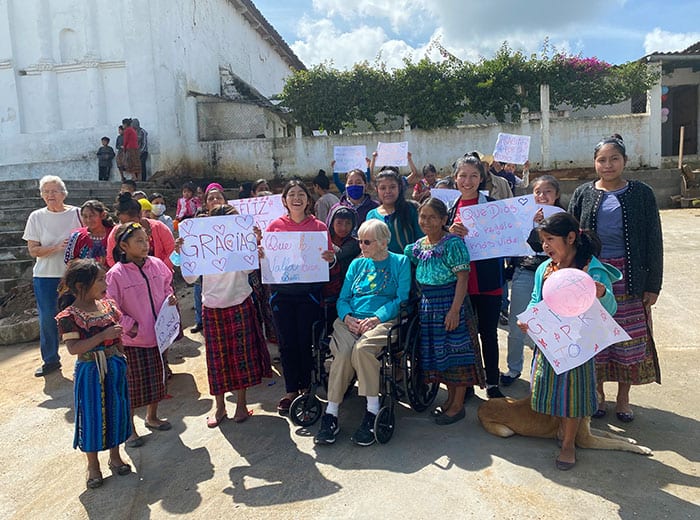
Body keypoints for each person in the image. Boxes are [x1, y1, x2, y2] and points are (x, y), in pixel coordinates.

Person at [569, 135, 663, 423]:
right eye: (602, 160)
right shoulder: (583, 193)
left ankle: (623, 398)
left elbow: (653, 239)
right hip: (593, 278)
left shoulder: (641, 193)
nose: (607, 165)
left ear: (625, 161)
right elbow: (571, 237)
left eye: (614, 159)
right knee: (595, 338)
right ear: (594, 163)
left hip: (630, 279)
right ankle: (597, 394)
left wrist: (653, 285)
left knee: (627, 341)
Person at [517, 212, 621, 470]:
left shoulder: (591, 269)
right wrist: (528, 319)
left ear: (571, 238)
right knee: (551, 391)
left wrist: (602, 292)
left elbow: (611, 308)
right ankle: (559, 430)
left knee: (573, 395)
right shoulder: (544, 269)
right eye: (543, 241)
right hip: (550, 343)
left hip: (579, 346)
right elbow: (535, 299)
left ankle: (568, 444)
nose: (545, 246)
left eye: (550, 239)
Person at [314, 220, 411, 446]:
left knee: (362, 349)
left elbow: (402, 298)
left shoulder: (400, 262)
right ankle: (332, 412)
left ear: (383, 242)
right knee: (345, 351)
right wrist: (347, 317)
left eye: (367, 242)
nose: (361, 246)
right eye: (360, 241)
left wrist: (377, 317)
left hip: (383, 319)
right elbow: (343, 298)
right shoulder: (357, 265)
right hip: (350, 319)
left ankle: (372, 410)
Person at [180, 205, 272, 426]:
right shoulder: (201, 246)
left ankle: (241, 405)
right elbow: (191, 279)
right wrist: (185, 251)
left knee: (242, 357)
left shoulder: (241, 244)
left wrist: (255, 249)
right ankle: (220, 407)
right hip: (212, 307)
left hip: (240, 303)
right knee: (216, 360)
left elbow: (249, 271)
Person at [405, 198, 484, 425]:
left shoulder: (453, 244)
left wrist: (454, 311)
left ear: (443, 220)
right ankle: (449, 400)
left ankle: (457, 405)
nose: (426, 221)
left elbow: (462, 278)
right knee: (441, 357)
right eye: (423, 217)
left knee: (456, 356)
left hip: (450, 302)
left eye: (432, 217)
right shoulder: (418, 246)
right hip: (429, 306)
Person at [55, 259, 131, 489]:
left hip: (114, 365)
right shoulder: (70, 316)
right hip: (90, 370)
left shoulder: (107, 306)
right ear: (80, 286)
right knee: (92, 415)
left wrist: (119, 352)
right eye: (100, 279)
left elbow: (117, 336)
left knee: (117, 408)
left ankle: (115, 456)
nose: (105, 283)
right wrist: (102, 336)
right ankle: (93, 465)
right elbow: (74, 349)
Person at [263, 180, 335, 415]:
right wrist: (262, 253)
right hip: (281, 295)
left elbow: (330, 259)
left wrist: (329, 257)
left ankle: (306, 388)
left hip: (309, 295)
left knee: (306, 343)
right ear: (284, 201)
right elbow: (266, 260)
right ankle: (290, 390)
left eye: (301, 194)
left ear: (307, 199)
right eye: (291, 194)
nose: (296, 198)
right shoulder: (274, 227)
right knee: (286, 344)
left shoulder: (319, 227)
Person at [106, 222, 176, 447]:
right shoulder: (115, 274)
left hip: (159, 336)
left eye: (146, 240)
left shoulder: (156, 264)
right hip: (133, 340)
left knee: (157, 380)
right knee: (133, 386)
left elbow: (167, 285)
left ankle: (152, 417)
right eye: (139, 241)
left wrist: (170, 298)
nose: (145, 244)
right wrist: (129, 325)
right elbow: (110, 306)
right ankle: (130, 429)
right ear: (124, 245)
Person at [447, 155, 505, 399]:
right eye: (462, 175)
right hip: (461, 283)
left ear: (481, 178)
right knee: (464, 334)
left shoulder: (493, 206)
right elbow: (437, 243)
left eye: (473, 175)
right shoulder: (449, 211)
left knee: (488, 333)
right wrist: (449, 233)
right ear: (455, 179)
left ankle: (492, 381)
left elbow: (510, 236)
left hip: (488, 280)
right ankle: (468, 382)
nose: (467, 181)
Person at [501, 175, 562, 387]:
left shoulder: (563, 219)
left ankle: (544, 371)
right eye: (538, 192)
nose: (542, 196)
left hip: (555, 275)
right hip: (525, 272)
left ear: (556, 195)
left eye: (548, 192)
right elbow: (512, 243)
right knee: (517, 322)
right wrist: (532, 225)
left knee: (550, 325)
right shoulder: (522, 217)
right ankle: (513, 369)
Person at [23, 175, 83, 377]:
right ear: (41, 195)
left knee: (81, 315)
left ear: (63, 193)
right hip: (46, 276)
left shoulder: (77, 213)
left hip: (74, 275)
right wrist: (56, 248)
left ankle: (85, 357)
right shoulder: (36, 217)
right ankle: (50, 360)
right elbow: (33, 250)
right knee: (48, 317)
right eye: (46, 191)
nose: (50, 195)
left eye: (54, 191)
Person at [106, 193, 175, 270]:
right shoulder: (117, 232)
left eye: (130, 222)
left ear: (140, 214)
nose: (127, 226)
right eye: (123, 223)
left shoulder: (159, 227)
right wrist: (125, 274)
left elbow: (172, 252)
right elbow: (111, 258)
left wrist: (160, 271)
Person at [366, 169, 423, 254]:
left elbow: (421, 238)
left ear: (399, 188)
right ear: (377, 190)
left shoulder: (410, 208)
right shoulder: (371, 215)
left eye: (392, 187)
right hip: (381, 265)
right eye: (383, 188)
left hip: (409, 263)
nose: (388, 191)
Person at [322, 205, 360, 325]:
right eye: (339, 223)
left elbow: (339, 254)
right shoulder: (323, 240)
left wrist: (321, 238)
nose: (343, 227)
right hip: (322, 293)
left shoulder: (354, 244)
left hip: (343, 294)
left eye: (348, 223)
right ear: (331, 223)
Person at [64, 200, 115, 267]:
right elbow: (69, 261)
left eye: (92, 216)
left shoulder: (114, 234)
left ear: (102, 215)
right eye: (85, 216)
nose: (88, 220)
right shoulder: (77, 236)